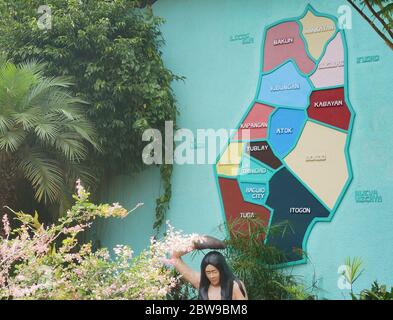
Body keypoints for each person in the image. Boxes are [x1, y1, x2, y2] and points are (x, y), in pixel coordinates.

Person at [171, 250, 248, 300]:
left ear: (222, 270)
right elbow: (175, 257)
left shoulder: (235, 286)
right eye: (208, 272)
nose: (212, 276)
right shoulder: (200, 282)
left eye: (214, 272)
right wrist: (195, 243)